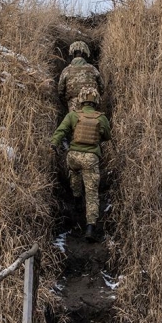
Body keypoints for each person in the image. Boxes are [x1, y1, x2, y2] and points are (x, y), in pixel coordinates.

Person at [51, 87, 111, 242]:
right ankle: (90, 227)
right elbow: (107, 136)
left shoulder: (73, 115)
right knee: (92, 193)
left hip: (73, 156)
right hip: (91, 158)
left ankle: (77, 201)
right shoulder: (101, 118)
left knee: (75, 177)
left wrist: (54, 144)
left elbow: (61, 131)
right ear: (96, 101)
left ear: (81, 100)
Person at [58, 41, 103, 111]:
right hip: (91, 103)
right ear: (85, 54)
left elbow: (60, 92)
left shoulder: (66, 71)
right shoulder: (93, 69)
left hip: (73, 104)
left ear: (72, 54)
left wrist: (68, 102)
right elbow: (102, 88)